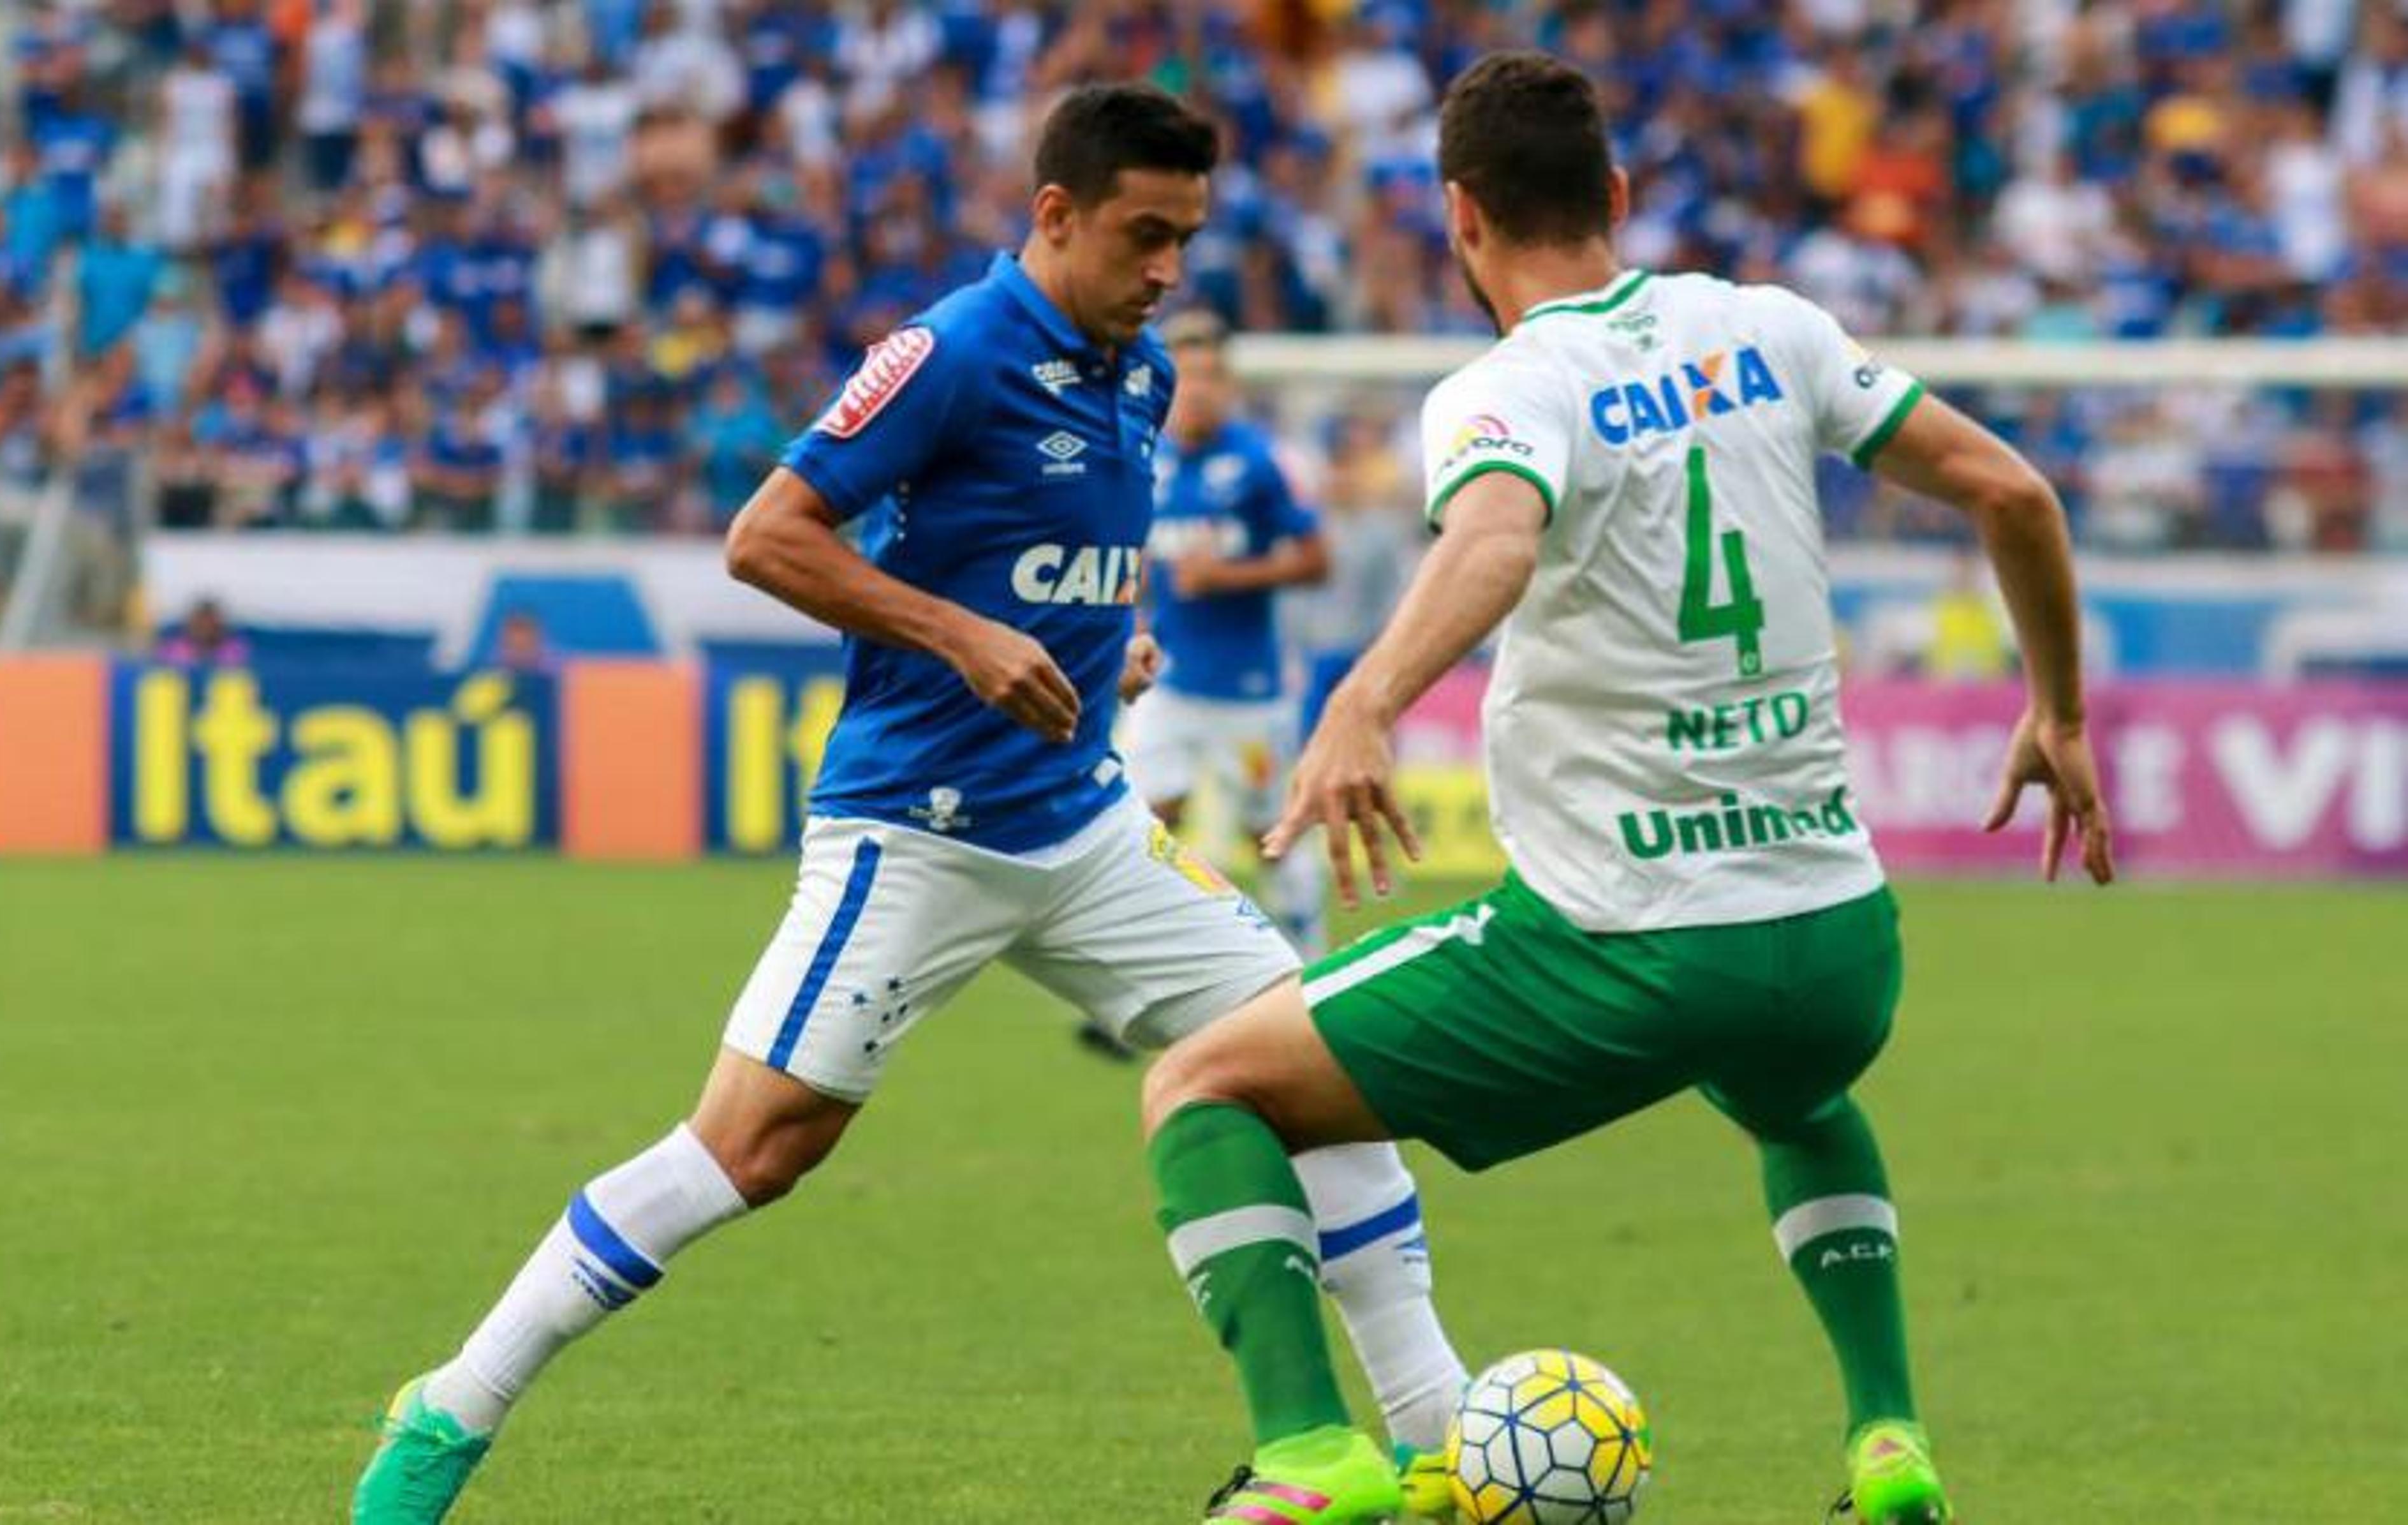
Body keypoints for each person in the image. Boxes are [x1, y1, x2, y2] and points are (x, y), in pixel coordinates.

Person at [350, 83, 1463, 1523]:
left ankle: (1441, 1442)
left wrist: (1096, 642)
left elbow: (1053, 561)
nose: (1169, 269)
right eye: (1144, 234)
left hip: (1089, 824)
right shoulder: (948, 351)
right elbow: (769, 537)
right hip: (916, 829)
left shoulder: (1140, 372)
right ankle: (452, 1402)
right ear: (1054, 215)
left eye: (1186, 238)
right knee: (753, 1147)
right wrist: (964, 635)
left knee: (1316, 1068)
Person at [1137, 52, 2115, 1525]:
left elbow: (1489, 543)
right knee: (1797, 1092)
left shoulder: (1508, 385)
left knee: (1204, 1085)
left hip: (1621, 944)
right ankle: (1886, 1440)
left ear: (1458, 217)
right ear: (1613, 192)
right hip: (1836, 939)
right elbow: (2013, 491)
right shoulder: (1766, 327)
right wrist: (2054, 710)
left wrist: (1364, 698)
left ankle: (1308, 1455)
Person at [1123, 309, 1333, 960]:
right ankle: (1151, 962)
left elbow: (1317, 558)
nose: (1201, 389)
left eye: (1214, 375)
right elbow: (1131, 559)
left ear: (1229, 384)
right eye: (1188, 376)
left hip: (1249, 689)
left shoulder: (1258, 462)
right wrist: (1130, 627)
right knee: (1146, 821)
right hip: (1171, 680)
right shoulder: (1146, 459)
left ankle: (1310, 956)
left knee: (1269, 832)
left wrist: (1229, 574)